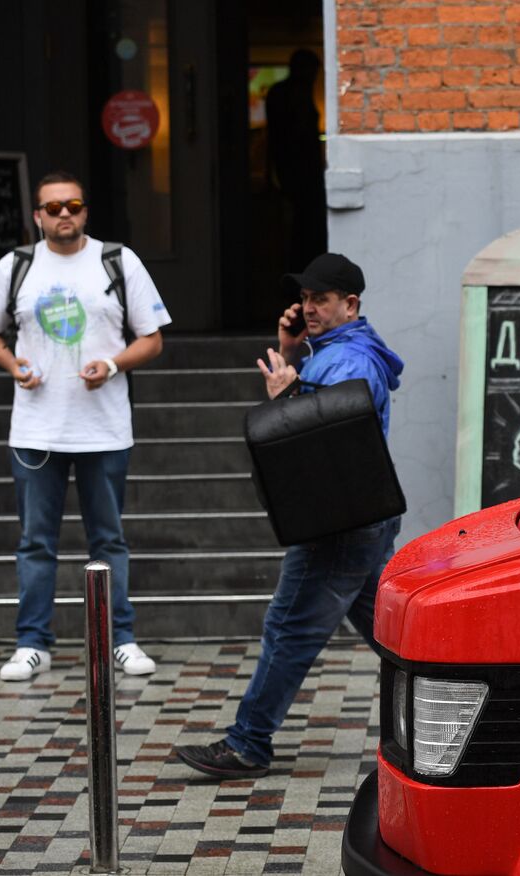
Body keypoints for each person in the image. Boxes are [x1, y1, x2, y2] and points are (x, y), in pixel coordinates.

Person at [174, 252, 404, 780]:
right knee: (389, 630)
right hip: (353, 516)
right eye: (304, 299)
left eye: (319, 299)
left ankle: (248, 743)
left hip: (338, 523)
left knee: (289, 626)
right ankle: (471, 691)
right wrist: (291, 352)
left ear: (350, 304)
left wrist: (286, 397)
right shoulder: (338, 351)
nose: (308, 307)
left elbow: (325, 441)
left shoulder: (349, 361)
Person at [0, 171, 171, 680]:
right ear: (37, 216)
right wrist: (14, 366)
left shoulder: (117, 260)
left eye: (74, 205)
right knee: (35, 541)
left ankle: (120, 639)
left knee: (108, 540)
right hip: (36, 429)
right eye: (53, 207)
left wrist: (111, 365)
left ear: (85, 211)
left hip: (103, 429)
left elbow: (152, 339)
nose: (65, 214)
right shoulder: (15, 266)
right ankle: (32, 643)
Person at [266, 49, 327, 269]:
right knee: (300, 233)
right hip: (298, 176)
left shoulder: (290, 93)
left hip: (296, 174)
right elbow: (291, 137)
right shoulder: (293, 95)